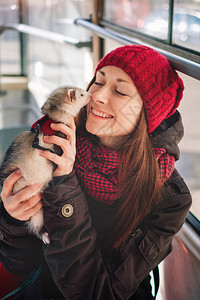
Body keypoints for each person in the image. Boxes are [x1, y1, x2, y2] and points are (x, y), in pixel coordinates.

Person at [0, 45, 192, 299]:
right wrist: (13, 219)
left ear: (147, 114)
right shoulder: (55, 140)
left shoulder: (170, 198)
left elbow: (97, 293)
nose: (97, 96)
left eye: (120, 91)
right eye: (98, 82)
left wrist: (64, 183)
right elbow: (19, 264)